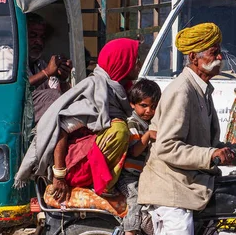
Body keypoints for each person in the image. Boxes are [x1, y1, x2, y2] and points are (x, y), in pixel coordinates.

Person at [126, 23, 234, 235]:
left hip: (191, 182)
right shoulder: (180, 91)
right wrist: (210, 154)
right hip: (169, 185)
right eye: (213, 53)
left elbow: (207, 142)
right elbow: (167, 147)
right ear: (194, 57)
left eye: (218, 51)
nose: (219, 58)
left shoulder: (202, 90)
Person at [14, 38, 142, 198]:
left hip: (86, 157)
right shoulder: (97, 91)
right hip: (71, 167)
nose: (139, 64)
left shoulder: (119, 91)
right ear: (122, 62)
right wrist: (59, 176)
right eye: (135, 60)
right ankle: (101, 186)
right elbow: (61, 129)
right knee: (118, 129)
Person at [116, 79, 161, 235]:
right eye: (144, 106)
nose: (148, 111)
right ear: (133, 104)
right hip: (129, 178)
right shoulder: (133, 123)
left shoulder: (148, 123)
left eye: (153, 106)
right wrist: (149, 135)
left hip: (142, 177)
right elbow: (134, 150)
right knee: (134, 203)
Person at [27, 13, 73, 123]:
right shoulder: (7, 55)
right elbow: (14, 89)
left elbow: (61, 96)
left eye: (41, 37)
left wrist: (62, 79)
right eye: (33, 36)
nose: (38, 42)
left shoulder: (40, 64)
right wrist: (46, 72)